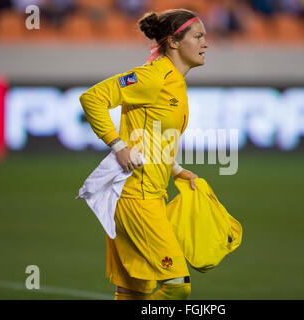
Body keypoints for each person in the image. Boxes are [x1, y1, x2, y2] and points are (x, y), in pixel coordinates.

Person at [79, 8, 208, 300]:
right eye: (198, 36)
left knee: (133, 291)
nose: (205, 44)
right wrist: (117, 145)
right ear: (174, 42)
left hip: (146, 195)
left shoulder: (174, 81)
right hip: (136, 198)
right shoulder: (153, 77)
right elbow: (92, 98)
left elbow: (153, 137)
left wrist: (175, 170)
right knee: (177, 287)